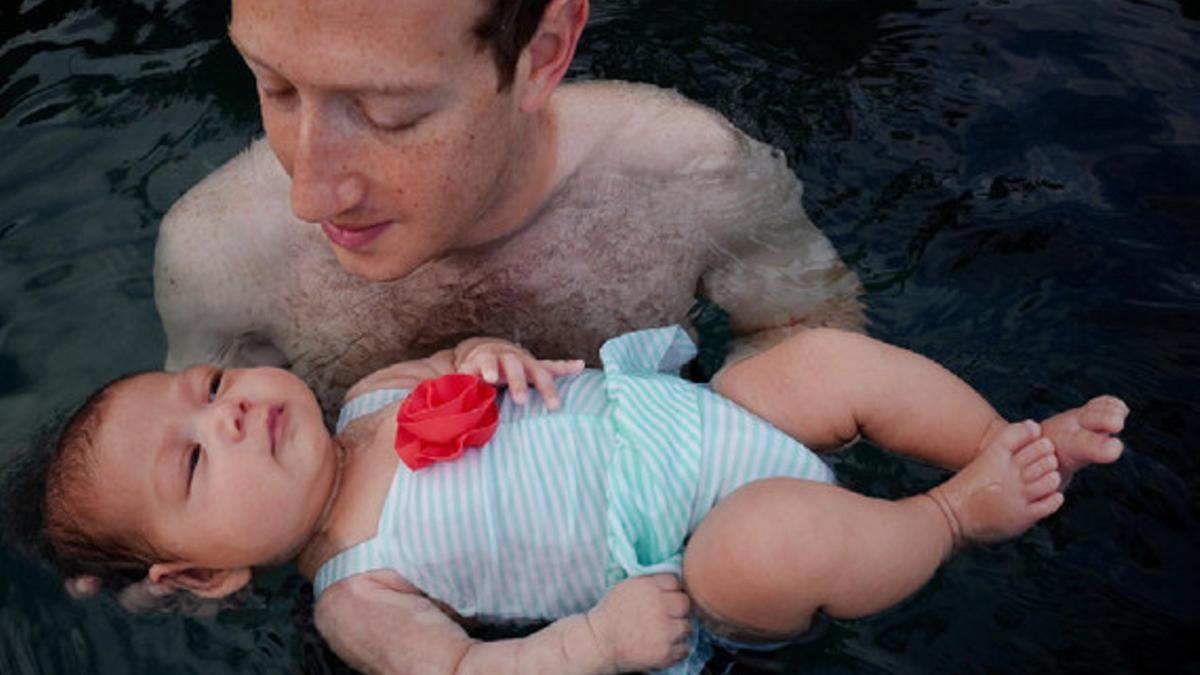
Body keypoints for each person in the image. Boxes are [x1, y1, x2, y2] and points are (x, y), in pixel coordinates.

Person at [33, 326, 1127, 674]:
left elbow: (472, 361)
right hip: (689, 542)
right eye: (191, 465)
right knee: (760, 551)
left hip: (693, 415)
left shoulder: (369, 396)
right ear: (209, 575)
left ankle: (1009, 442)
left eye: (210, 387)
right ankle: (952, 515)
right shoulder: (355, 600)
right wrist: (597, 644)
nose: (226, 416)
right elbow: (467, 672)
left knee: (807, 363)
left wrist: (489, 352)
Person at [154, 0, 865, 415]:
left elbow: (811, 338)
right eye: (274, 87)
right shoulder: (221, 252)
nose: (308, 193)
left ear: (544, 53)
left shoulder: (689, 175)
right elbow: (193, 461)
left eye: (388, 113)